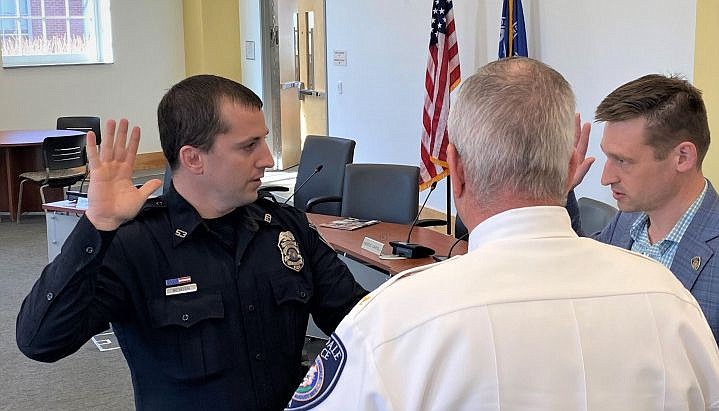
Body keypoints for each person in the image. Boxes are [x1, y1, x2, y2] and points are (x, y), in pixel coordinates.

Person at [285, 58, 719, 410]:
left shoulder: (391, 321)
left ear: (455, 170)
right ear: (569, 166)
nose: (606, 177)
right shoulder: (671, 301)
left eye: (622, 161)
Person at [16, 75, 368, 410]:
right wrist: (98, 226)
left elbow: (360, 321)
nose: (268, 159)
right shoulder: (136, 244)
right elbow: (40, 342)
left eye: (263, 139)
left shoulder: (285, 228)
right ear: (193, 158)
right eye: (249, 146)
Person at [568, 74, 719, 340]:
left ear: (682, 157)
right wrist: (560, 190)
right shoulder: (625, 223)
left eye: (623, 161)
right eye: (607, 157)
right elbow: (577, 265)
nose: (606, 177)